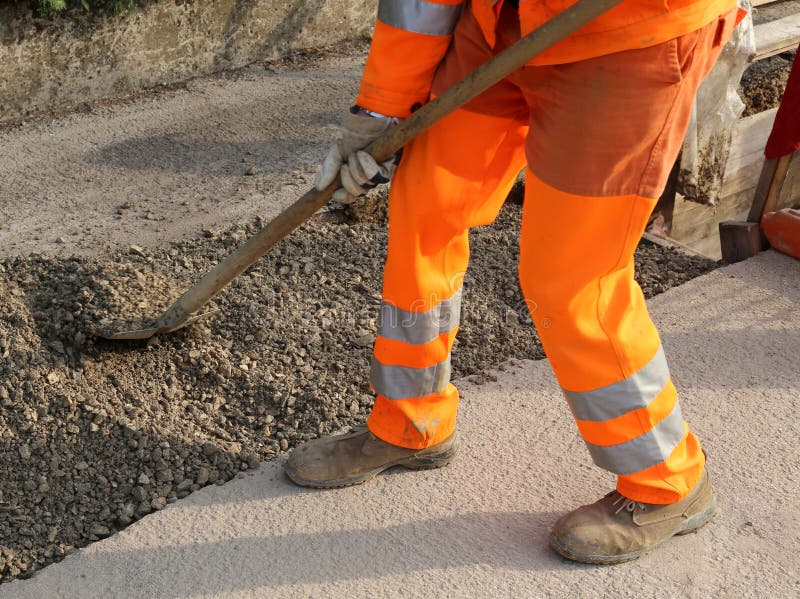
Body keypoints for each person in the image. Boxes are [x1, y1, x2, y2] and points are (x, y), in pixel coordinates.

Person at [284, 0, 744, 564]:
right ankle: (411, 422)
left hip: (628, 35)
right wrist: (379, 111)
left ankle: (667, 481)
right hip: (497, 25)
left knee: (571, 277)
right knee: (423, 214)